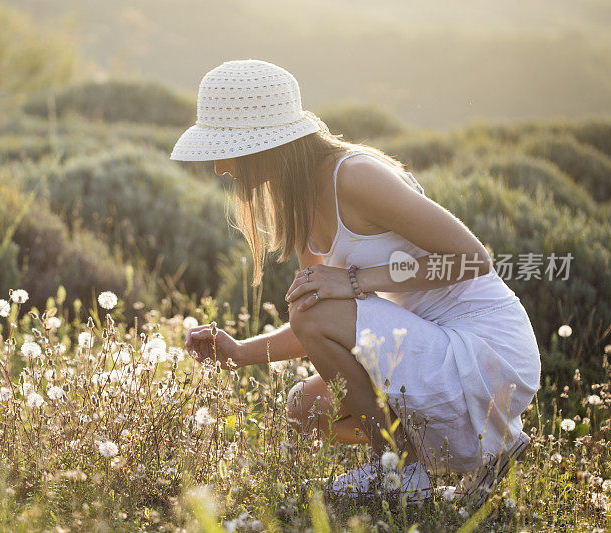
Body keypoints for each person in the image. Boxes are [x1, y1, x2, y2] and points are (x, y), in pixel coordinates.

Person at [171, 59, 541, 504]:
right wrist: (241, 353)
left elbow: (472, 259)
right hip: (429, 344)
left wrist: (355, 280)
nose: (220, 168)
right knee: (305, 410)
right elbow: (316, 316)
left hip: (486, 347)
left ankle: (401, 468)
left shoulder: (354, 176)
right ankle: (482, 450)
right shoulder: (299, 201)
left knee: (319, 310)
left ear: (263, 144)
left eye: (227, 148)